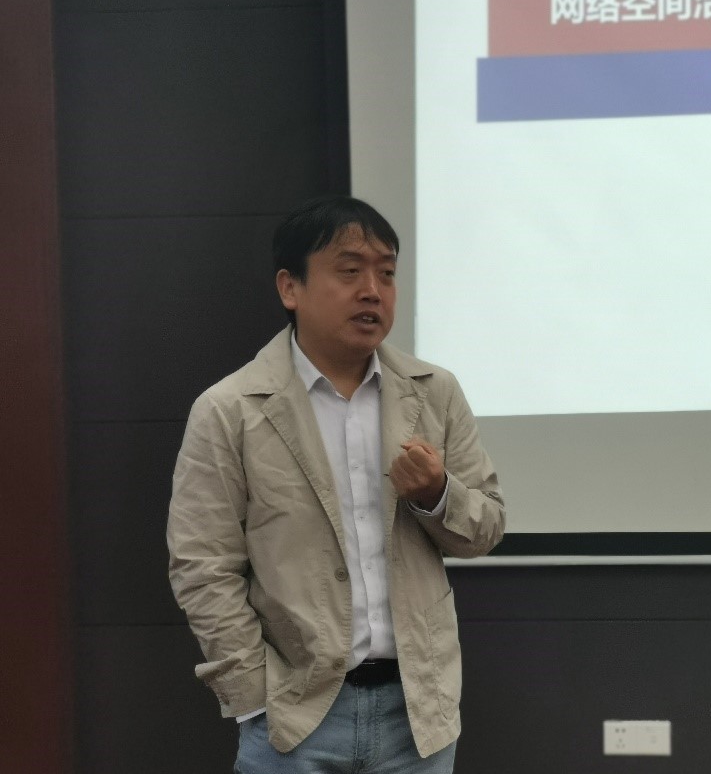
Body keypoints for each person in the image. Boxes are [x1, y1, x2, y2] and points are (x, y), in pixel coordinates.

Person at [167, 195, 506, 772]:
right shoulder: (231, 409)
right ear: (290, 288)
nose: (372, 290)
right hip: (294, 718)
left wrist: (436, 495)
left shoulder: (434, 392)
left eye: (387, 274)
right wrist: (254, 696)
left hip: (417, 716)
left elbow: (486, 528)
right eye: (349, 271)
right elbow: (202, 565)